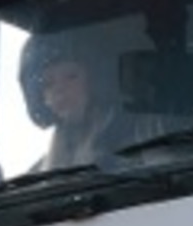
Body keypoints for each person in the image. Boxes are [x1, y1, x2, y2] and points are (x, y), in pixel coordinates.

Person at [19, 35, 120, 170]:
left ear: (93, 80)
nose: (59, 89)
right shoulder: (42, 172)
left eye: (71, 76)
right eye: (48, 83)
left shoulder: (135, 139)